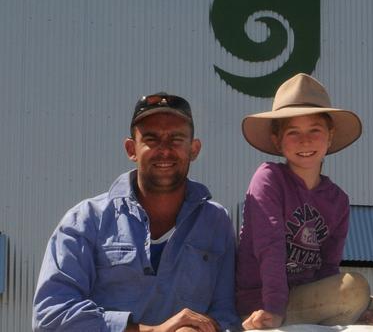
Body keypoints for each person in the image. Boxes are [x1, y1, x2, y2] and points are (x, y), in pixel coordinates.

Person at [33, 93, 240, 331]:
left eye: (176, 139)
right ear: (131, 149)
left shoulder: (215, 222)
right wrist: (150, 331)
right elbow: (51, 316)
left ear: (194, 149)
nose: (164, 151)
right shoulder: (86, 220)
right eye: (151, 139)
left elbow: (228, 315)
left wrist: (198, 328)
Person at [236, 73, 373, 329]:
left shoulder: (337, 200)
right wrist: (273, 309)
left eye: (314, 130)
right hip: (262, 301)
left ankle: (337, 314)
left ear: (330, 136)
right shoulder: (269, 178)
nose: (305, 140)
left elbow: (327, 266)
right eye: (293, 132)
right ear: (277, 141)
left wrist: (346, 306)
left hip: (308, 297)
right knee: (354, 286)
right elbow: (268, 246)